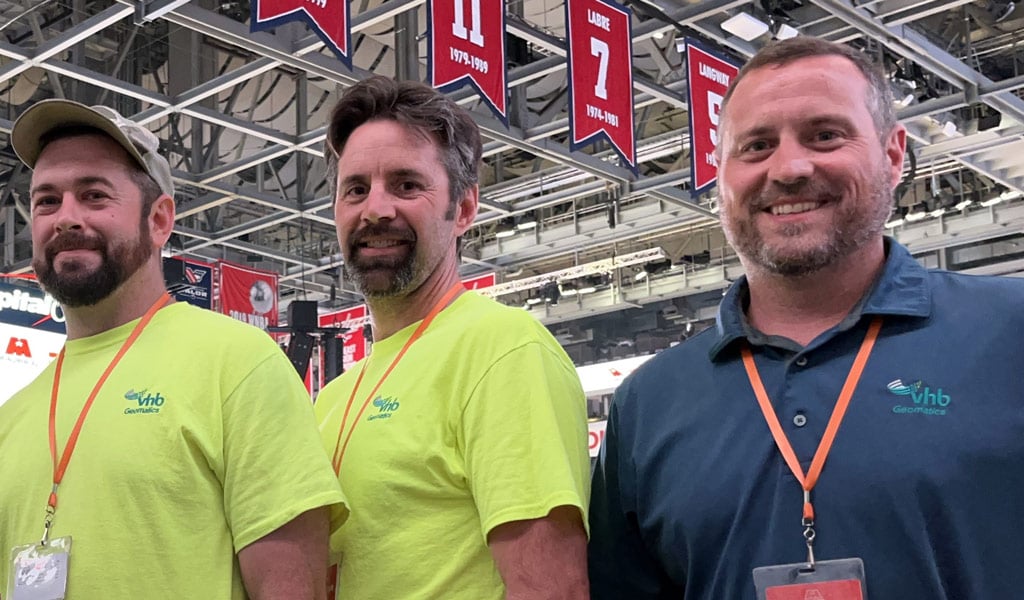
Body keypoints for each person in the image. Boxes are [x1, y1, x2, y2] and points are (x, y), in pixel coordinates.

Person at [588, 36, 1024, 599]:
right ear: (720, 173)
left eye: (825, 135)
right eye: (756, 146)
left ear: (893, 155)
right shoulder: (650, 402)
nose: (789, 168)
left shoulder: (1009, 333)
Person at [0, 100, 348, 599]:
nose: (65, 218)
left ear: (160, 220)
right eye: (46, 201)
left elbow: (293, 588)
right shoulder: (13, 415)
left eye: (94, 196)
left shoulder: (237, 364)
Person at [315, 76, 591, 599]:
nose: (375, 209)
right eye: (355, 189)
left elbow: (552, 589)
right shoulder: (333, 399)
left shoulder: (502, 349)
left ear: (463, 209)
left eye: (406, 185)